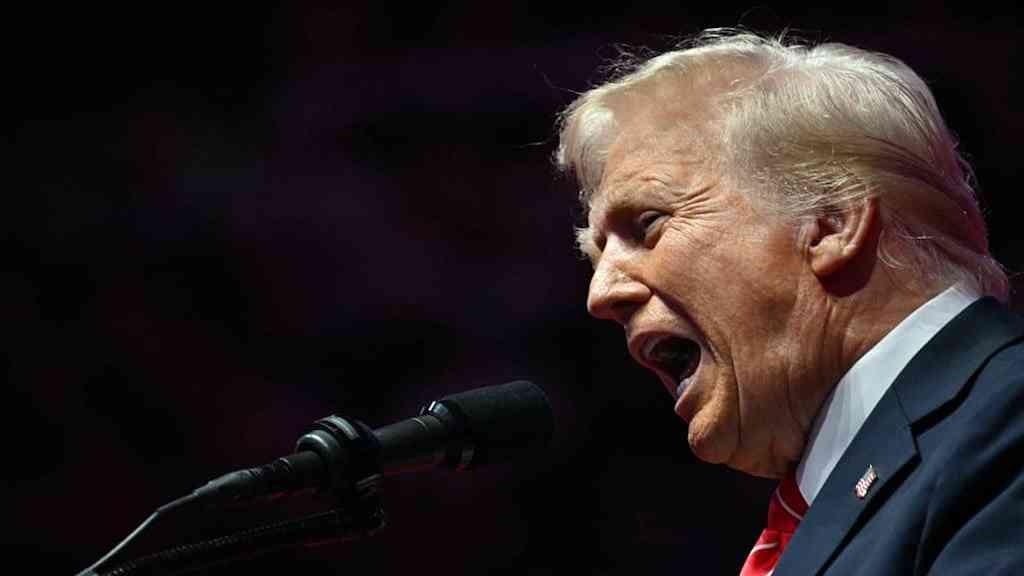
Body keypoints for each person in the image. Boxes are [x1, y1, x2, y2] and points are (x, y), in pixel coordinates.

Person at [556, 29, 1023, 574]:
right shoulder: (874, 475)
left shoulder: (1004, 420)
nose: (601, 294)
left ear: (830, 222)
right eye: (597, 254)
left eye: (647, 223)